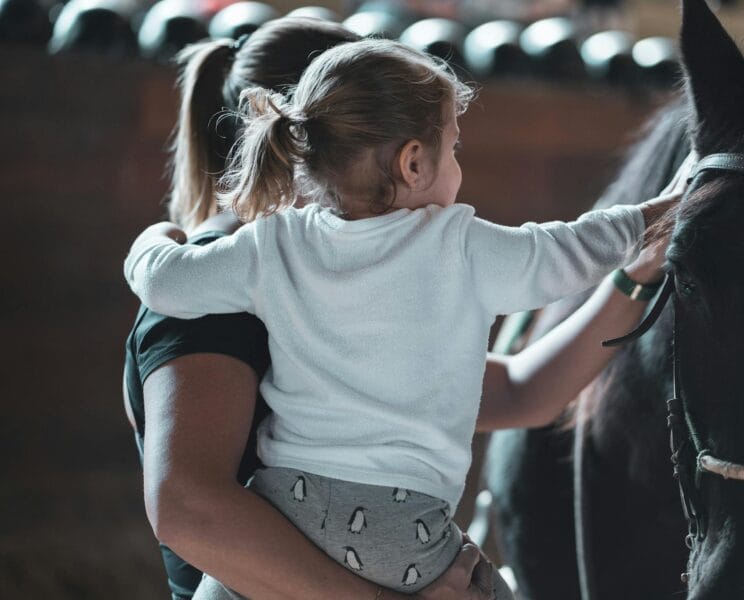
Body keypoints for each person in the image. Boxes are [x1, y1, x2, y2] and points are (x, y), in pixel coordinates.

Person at [124, 37, 683, 599]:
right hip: (404, 532)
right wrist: (659, 215)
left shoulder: (269, 248)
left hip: (285, 502)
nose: (458, 165)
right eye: (455, 148)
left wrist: (154, 240)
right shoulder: (456, 247)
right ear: (414, 161)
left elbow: (519, 388)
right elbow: (568, 249)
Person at [124, 17, 498, 600]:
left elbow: (521, 389)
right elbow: (187, 509)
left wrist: (637, 270)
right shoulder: (222, 285)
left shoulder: (333, 284)